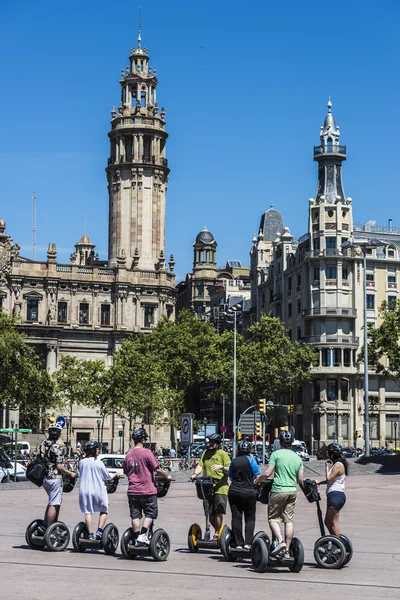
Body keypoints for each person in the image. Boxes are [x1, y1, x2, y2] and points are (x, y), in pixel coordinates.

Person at [256, 429, 303, 557]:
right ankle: (287, 550)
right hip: (292, 491)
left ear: (280, 442)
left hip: (278, 490)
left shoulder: (275, 455)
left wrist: (258, 480)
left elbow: (267, 473)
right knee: (288, 520)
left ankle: (280, 541)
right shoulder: (297, 458)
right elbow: (300, 479)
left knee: (273, 518)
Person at [123, 428, 171, 546]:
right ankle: (143, 535)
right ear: (143, 440)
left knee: (135, 515)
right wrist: (167, 476)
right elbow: (157, 469)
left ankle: (136, 537)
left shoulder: (128, 454)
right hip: (147, 490)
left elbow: (125, 471)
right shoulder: (147, 453)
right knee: (150, 513)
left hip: (133, 491)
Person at [191, 433, 230, 540]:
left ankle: (217, 533)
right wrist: (195, 474)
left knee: (218, 511)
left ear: (218, 444)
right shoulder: (205, 453)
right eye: (210, 442)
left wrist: (221, 467)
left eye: (213, 442)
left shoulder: (223, 454)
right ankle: (219, 531)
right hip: (207, 486)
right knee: (209, 513)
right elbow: (200, 465)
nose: (211, 444)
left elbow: (229, 468)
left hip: (220, 487)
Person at [38, 423, 77, 533]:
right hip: (55, 478)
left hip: (45, 477)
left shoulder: (43, 443)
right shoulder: (57, 447)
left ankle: (45, 524)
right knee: (54, 503)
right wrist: (70, 473)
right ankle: (48, 528)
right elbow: (59, 466)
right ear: (59, 433)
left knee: (51, 501)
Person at [78, 440, 115, 540]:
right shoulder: (99, 463)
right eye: (97, 449)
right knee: (104, 509)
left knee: (88, 511)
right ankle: (99, 531)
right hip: (98, 489)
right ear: (93, 450)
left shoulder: (81, 462)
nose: (99, 450)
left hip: (85, 490)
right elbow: (107, 476)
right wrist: (115, 475)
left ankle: (90, 534)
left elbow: (81, 474)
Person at [228, 438, 260, 549]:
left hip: (234, 491)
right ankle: (248, 543)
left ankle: (238, 543)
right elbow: (257, 476)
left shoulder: (234, 461)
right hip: (248, 492)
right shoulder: (252, 460)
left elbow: (231, 477)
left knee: (236, 518)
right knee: (250, 517)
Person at [315, 442, 348, 536]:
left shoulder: (338, 465)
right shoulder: (337, 465)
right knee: (327, 522)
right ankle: (334, 540)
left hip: (336, 496)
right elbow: (332, 480)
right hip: (334, 495)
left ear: (332, 454)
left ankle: (338, 542)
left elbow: (329, 479)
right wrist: (320, 483)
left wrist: (326, 467)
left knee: (334, 522)